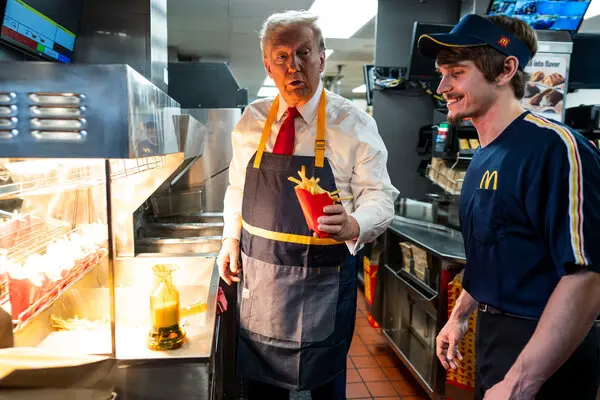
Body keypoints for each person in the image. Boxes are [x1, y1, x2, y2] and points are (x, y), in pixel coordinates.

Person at [217, 10, 398, 400]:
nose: (293, 65)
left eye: (303, 52)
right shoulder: (252, 120)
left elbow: (381, 197)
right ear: (268, 65)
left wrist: (354, 224)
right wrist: (230, 237)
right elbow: (236, 187)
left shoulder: (353, 123)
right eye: (281, 57)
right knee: (262, 390)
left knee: (324, 386)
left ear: (321, 58)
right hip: (260, 282)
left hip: (323, 284)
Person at [418, 14, 600, 400]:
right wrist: (460, 315)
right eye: (442, 73)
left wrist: (522, 382)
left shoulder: (555, 149)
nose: (443, 86)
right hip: (492, 338)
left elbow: (587, 276)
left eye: (456, 72)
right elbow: (493, 252)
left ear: (505, 70)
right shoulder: (483, 157)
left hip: (546, 349)